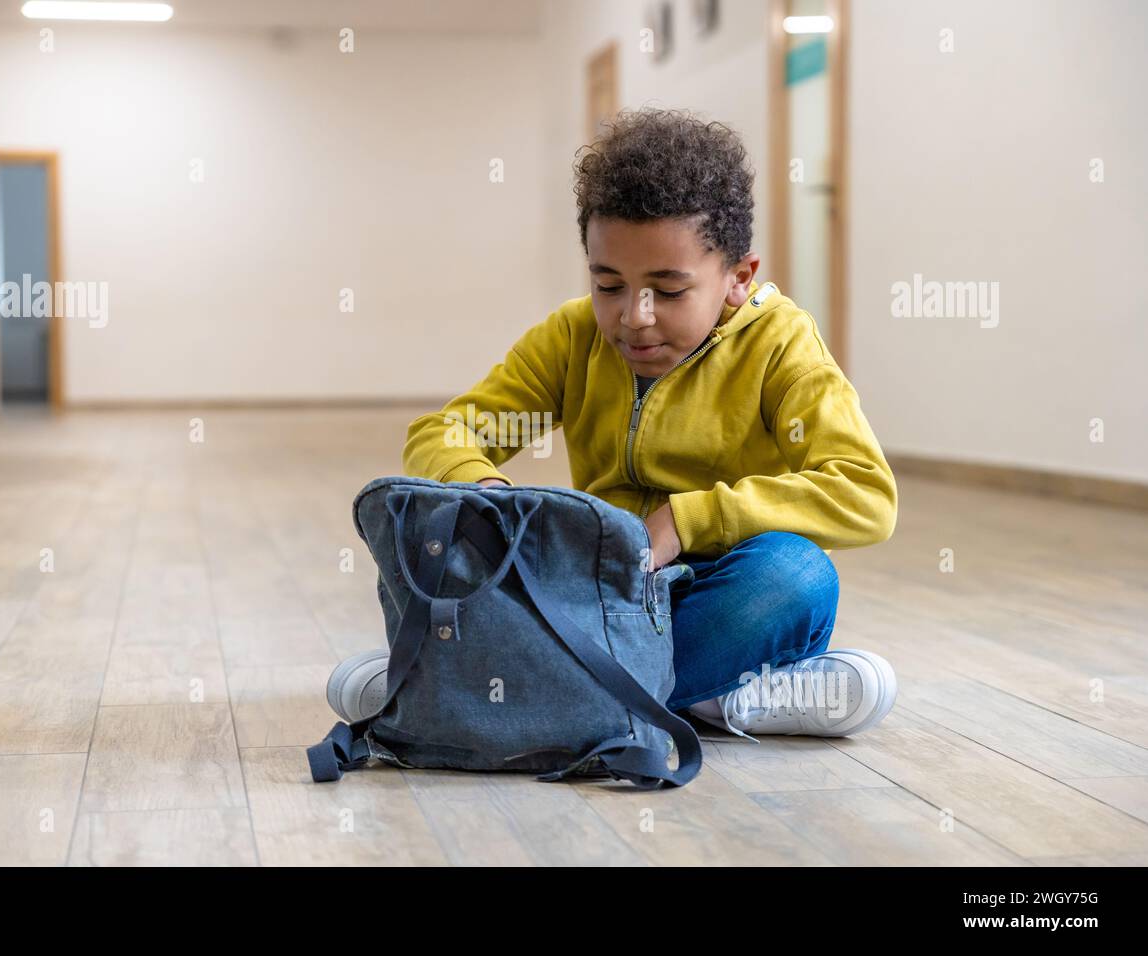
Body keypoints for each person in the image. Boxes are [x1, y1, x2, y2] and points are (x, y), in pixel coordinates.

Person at [328, 107, 898, 743]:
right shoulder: (573, 338)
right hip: (585, 594)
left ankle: (467, 687)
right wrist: (485, 495)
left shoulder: (780, 346)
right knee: (432, 535)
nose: (635, 317)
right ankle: (722, 701)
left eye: (669, 291)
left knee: (795, 576)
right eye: (609, 284)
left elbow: (865, 494)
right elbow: (442, 435)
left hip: (706, 590)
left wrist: (688, 522)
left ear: (738, 280)